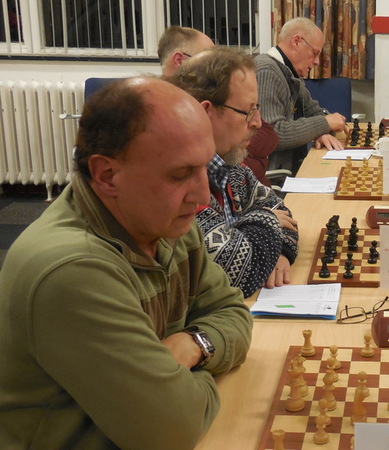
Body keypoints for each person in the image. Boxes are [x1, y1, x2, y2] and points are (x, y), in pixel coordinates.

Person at [0, 78, 253, 449]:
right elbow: (171, 428)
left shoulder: (166, 224)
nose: (202, 196)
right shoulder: (72, 271)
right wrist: (185, 382)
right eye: (180, 174)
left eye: (204, 168)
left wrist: (194, 344)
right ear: (107, 175)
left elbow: (233, 313)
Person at [169, 47, 299, 297]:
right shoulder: (180, 179)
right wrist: (266, 219)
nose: (257, 122)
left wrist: (280, 252)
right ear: (205, 112)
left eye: (257, 108)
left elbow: (282, 213)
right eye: (248, 111)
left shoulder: (230, 166)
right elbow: (236, 272)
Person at [254, 17, 348, 173]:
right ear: (296, 41)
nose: (317, 62)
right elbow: (272, 134)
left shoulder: (290, 72)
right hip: (274, 176)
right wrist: (324, 124)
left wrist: (321, 130)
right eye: (314, 53)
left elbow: (315, 112)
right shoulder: (267, 71)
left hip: (292, 167)